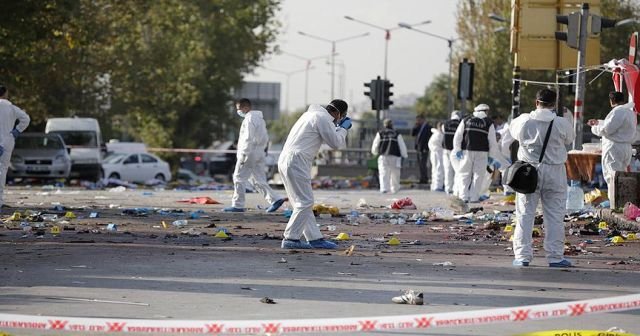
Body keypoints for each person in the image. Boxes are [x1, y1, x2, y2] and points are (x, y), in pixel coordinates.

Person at [509, 88, 575, 267]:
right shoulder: (562, 123)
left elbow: (512, 133)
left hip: (528, 172)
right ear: (554, 104)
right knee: (555, 216)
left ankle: (522, 256)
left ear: (536, 102)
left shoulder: (523, 121)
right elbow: (570, 139)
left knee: (525, 214)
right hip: (555, 171)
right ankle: (555, 257)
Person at [278, 99, 351, 249]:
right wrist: (343, 129)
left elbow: (325, 139)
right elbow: (335, 143)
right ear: (338, 113)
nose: (339, 120)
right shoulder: (323, 118)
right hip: (297, 160)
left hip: (286, 159)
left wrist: (337, 129)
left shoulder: (310, 115)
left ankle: (314, 238)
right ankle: (290, 238)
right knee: (305, 202)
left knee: (301, 202)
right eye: (341, 117)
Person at [224, 98, 286, 213]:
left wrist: (244, 154)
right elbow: (265, 137)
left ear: (246, 107)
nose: (238, 112)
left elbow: (248, 137)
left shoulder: (249, 118)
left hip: (249, 153)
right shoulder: (260, 119)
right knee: (257, 180)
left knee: (238, 177)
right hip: (259, 152)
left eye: (239, 109)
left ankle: (238, 205)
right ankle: (275, 199)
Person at [588, 91, 637, 204]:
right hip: (626, 148)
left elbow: (606, 129)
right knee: (621, 177)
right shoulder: (629, 112)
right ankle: (623, 204)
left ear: (611, 101)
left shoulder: (617, 112)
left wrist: (594, 128)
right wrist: (599, 122)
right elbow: (614, 125)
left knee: (612, 178)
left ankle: (615, 206)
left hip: (614, 149)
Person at [452, 104, 504, 203]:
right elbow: (492, 142)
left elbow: (458, 136)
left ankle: (464, 197)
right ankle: (474, 197)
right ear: (486, 111)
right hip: (482, 153)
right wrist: (491, 156)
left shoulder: (466, 120)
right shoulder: (488, 123)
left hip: (466, 151)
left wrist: (457, 149)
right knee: (478, 175)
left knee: (464, 174)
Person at [0, 85, 30, 209]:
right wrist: (16, 131)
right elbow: (26, 119)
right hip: (7, 141)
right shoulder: (11, 107)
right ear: (5, 94)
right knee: (2, 170)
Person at [371, 119, 408, 194]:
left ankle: (384, 189)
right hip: (395, 157)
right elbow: (402, 146)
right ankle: (395, 189)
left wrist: (374, 152)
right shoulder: (397, 134)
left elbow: (375, 145)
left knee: (383, 173)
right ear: (392, 125)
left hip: (383, 156)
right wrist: (405, 155)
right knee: (395, 174)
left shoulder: (380, 133)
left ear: (384, 125)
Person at [442, 110, 462, 195]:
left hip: (446, 150)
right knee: (457, 170)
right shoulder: (461, 124)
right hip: (456, 151)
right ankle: (455, 188)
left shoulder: (445, 124)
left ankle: (448, 188)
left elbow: (443, 132)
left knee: (447, 169)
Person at [411, 115, 431, 185]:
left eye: (419, 120)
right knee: (420, 164)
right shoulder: (418, 127)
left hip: (424, 148)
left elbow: (429, 138)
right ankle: (422, 178)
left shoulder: (428, 127)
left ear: (423, 119)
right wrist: (415, 126)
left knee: (423, 164)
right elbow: (413, 134)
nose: (418, 121)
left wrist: (427, 147)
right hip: (418, 148)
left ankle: (425, 178)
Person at [428, 122, 445, 191]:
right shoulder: (439, 135)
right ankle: (438, 186)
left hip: (434, 153)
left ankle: (434, 185)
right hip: (438, 154)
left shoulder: (435, 134)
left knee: (435, 170)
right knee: (439, 169)